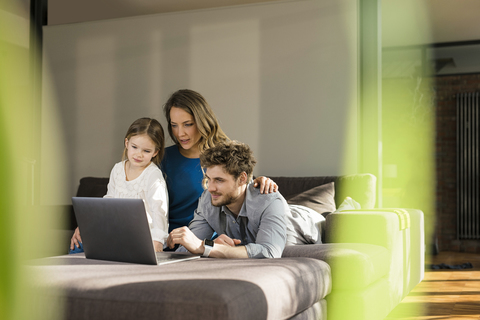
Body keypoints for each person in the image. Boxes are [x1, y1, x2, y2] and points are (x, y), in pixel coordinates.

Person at [161, 89, 277, 233]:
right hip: (168, 241)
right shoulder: (162, 158)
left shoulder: (224, 155)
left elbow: (242, 190)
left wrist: (261, 182)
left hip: (213, 242)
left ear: (202, 121)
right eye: (174, 125)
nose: (180, 133)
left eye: (188, 124)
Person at [167, 141, 288, 258]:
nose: (211, 188)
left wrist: (208, 248)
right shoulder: (208, 200)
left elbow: (269, 252)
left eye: (219, 180)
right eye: (209, 179)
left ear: (241, 178)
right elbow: (190, 247)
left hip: (300, 221)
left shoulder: (268, 201)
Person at [70, 118, 169, 253]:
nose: (139, 154)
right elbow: (108, 202)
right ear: (127, 143)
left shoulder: (153, 176)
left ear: (155, 152)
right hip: (115, 232)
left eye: (146, 151)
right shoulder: (117, 169)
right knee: (78, 244)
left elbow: (159, 213)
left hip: (141, 238)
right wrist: (86, 225)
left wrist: (157, 242)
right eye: (135, 147)